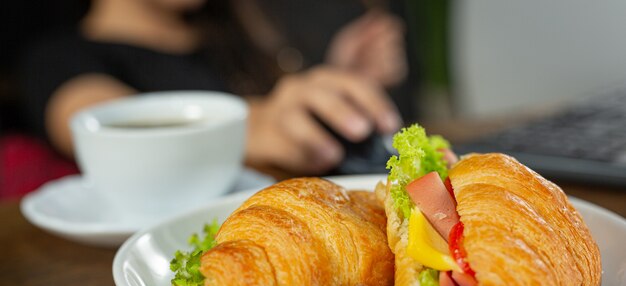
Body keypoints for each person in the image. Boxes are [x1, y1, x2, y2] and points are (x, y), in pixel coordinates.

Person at [20, 0, 411, 175]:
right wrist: (252, 126)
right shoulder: (58, 57)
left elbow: (282, 119)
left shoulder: (231, 40)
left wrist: (339, 83)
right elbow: (99, 124)